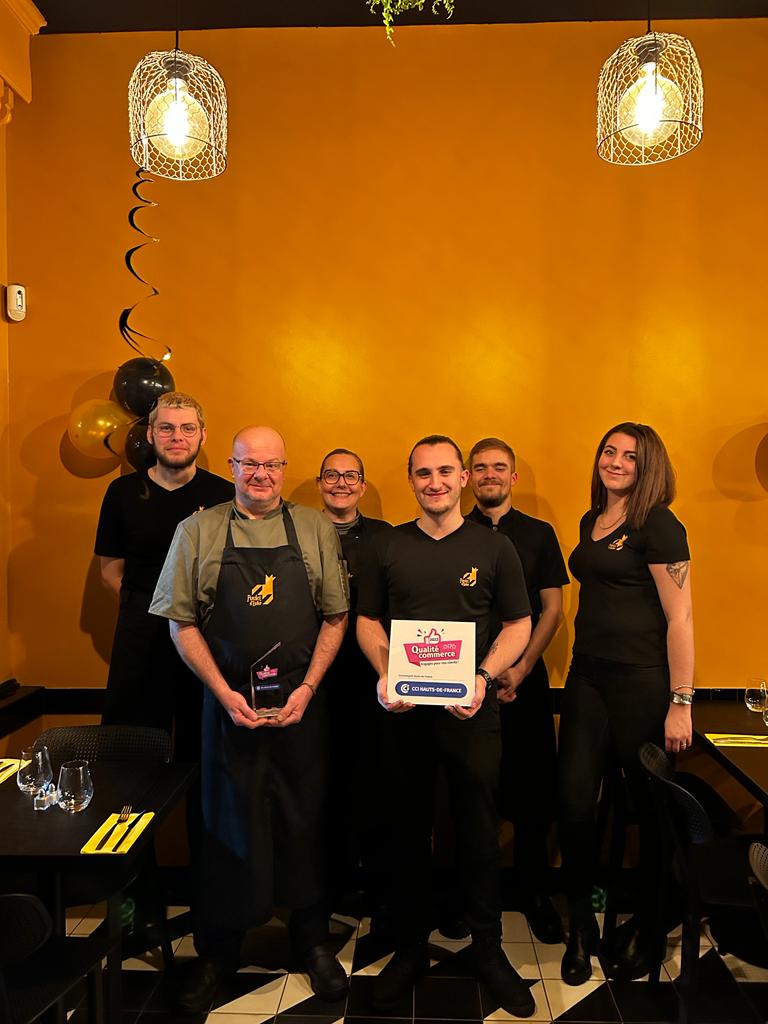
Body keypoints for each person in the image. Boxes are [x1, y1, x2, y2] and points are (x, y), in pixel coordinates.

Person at [150, 426, 350, 1013]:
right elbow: (179, 623)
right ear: (231, 467)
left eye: (271, 465)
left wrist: (309, 687)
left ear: (284, 469)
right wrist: (221, 692)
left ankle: (311, 938)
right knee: (226, 824)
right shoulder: (198, 528)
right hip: (227, 706)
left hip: (300, 708)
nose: (260, 474)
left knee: (304, 817)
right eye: (248, 465)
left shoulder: (313, 527)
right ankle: (218, 949)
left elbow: (336, 617)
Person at [357, 434, 537, 1019]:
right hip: (404, 717)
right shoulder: (386, 547)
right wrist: (386, 674)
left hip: (472, 712)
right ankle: (409, 948)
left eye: (444, 472)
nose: (434, 482)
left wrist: (484, 676)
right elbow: (366, 622)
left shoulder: (496, 548)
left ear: (462, 479)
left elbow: (518, 623)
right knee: (406, 831)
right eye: (422, 473)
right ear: (411, 481)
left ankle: (488, 949)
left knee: (479, 831)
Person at [557, 422, 693, 986]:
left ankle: (652, 928)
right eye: (608, 452)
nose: (614, 462)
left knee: (649, 811)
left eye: (629, 457)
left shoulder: (659, 524)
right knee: (573, 802)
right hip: (587, 678)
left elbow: (680, 616)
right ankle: (580, 930)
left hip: (641, 683)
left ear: (648, 466)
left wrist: (681, 700)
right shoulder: (594, 520)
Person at [466, 437, 569, 944]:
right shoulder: (453, 531)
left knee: (531, 792)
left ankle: (534, 893)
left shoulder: (539, 534)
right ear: (467, 476)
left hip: (524, 682)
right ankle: (470, 895)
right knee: (470, 791)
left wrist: (523, 667)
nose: (489, 474)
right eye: (480, 467)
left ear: (513, 478)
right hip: (464, 687)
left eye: (498, 467)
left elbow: (553, 609)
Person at [94, 391, 234, 760]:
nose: (177, 437)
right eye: (167, 428)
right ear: (151, 434)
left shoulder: (224, 495)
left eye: (188, 428)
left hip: (206, 633)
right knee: (130, 747)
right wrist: (149, 610)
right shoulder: (122, 492)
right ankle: (128, 818)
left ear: (202, 436)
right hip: (140, 631)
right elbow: (110, 572)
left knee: (203, 745)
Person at [316, 449, 392, 913]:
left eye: (351, 476)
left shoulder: (386, 538)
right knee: (321, 782)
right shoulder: (298, 529)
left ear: (363, 485)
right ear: (320, 482)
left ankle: (375, 882)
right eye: (332, 475)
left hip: (372, 675)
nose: (341, 483)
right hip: (315, 679)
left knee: (374, 780)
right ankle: (326, 882)